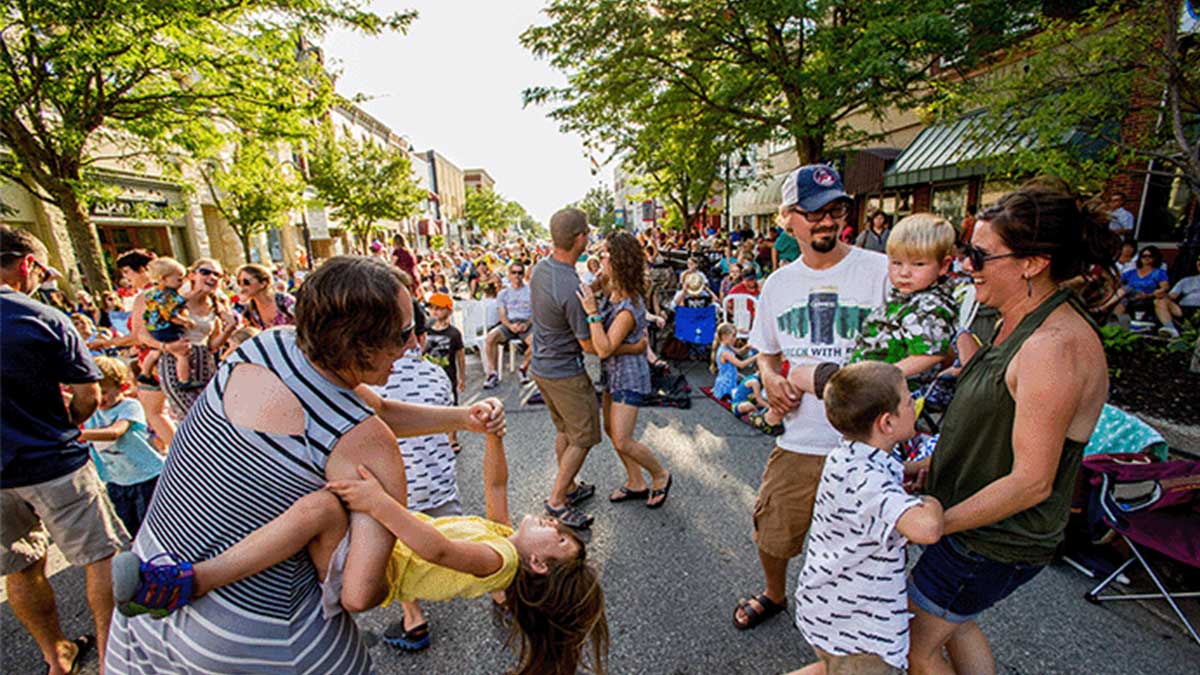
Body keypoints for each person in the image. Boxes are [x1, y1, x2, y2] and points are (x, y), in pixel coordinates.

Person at [105, 256, 507, 674]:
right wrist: (414, 572)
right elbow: (359, 595)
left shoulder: (266, 346)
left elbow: (367, 409)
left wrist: (463, 418)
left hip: (153, 587)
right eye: (404, 333)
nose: (415, 345)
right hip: (261, 636)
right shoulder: (368, 444)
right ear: (359, 344)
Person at [112, 432, 609, 675]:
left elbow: (433, 545)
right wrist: (493, 435)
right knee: (326, 500)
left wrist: (380, 502)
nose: (557, 523)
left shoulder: (500, 560)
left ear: (539, 563)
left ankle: (189, 581)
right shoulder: (500, 534)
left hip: (365, 582)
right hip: (373, 563)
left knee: (321, 510)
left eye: (562, 540)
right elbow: (495, 481)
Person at [905, 185, 1115, 675]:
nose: (966, 266)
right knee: (957, 626)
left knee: (916, 648)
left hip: (991, 540)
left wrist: (938, 522)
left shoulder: (1053, 346)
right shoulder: (1014, 321)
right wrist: (934, 466)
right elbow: (996, 422)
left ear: (1032, 263)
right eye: (965, 252)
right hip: (974, 527)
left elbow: (1032, 480)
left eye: (979, 255)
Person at [732, 164, 890, 631]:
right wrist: (773, 380)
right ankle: (775, 594)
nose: (826, 221)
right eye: (813, 212)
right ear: (787, 219)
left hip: (868, 444)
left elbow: (915, 349)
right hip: (800, 438)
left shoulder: (879, 270)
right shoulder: (779, 283)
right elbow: (766, 353)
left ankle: (854, 619)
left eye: (835, 210)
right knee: (774, 529)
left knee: (866, 543)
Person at [1, 225, 128, 675]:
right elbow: (88, 396)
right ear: (26, 265)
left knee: (21, 567)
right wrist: (67, 423)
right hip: (52, 460)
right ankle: (112, 655)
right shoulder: (40, 316)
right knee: (100, 558)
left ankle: (55, 655)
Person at [787, 362, 943, 675]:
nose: (915, 404)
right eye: (909, 401)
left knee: (834, 667)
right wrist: (929, 501)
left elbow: (881, 483)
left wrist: (910, 474)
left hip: (828, 605)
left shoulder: (849, 454)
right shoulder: (868, 480)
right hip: (859, 628)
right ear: (886, 422)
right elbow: (926, 528)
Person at [530, 208, 646, 530]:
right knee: (584, 437)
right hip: (565, 371)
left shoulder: (540, 270)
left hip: (542, 366)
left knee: (565, 431)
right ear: (580, 238)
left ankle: (569, 486)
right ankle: (557, 500)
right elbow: (593, 346)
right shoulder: (572, 287)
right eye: (588, 234)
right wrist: (634, 346)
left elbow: (555, 304)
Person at [372, 347, 464, 651]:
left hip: (398, 492)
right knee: (460, 539)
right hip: (439, 483)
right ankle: (501, 593)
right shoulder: (436, 373)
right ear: (419, 337)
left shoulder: (367, 382)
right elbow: (450, 429)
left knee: (397, 555)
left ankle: (413, 619)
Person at [577, 231, 672, 508]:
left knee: (622, 439)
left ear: (618, 260)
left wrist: (592, 311)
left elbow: (604, 347)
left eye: (606, 253)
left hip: (628, 377)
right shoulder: (610, 287)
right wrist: (633, 346)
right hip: (612, 373)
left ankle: (660, 475)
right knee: (611, 430)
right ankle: (636, 482)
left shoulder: (627, 306)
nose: (600, 257)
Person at [81, 357, 165, 537]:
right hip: (117, 480)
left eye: (103, 392)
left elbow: (116, 431)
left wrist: (79, 435)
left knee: (152, 525)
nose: (99, 398)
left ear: (123, 388)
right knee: (129, 527)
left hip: (146, 476)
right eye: (94, 393)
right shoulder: (92, 410)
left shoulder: (129, 406)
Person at [158, 258, 239, 417]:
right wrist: (166, 347)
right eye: (205, 272)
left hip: (204, 364)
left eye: (217, 275)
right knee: (192, 416)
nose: (212, 277)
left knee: (214, 416)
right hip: (177, 363)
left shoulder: (215, 305)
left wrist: (229, 328)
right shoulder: (176, 301)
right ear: (192, 276)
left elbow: (212, 345)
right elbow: (148, 331)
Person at [141, 257, 202, 387]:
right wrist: (184, 321)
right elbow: (169, 314)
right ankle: (184, 380)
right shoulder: (168, 295)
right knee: (182, 353)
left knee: (154, 351)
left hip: (153, 326)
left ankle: (145, 373)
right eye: (179, 279)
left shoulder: (153, 292)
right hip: (165, 327)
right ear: (164, 279)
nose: (181, 283)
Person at [424, 293, 466, 452]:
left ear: (449, 311)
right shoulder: (426, 330)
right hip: (428, 375)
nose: (435, 312)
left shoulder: (453, 333)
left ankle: (452, 438)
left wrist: (462, 377)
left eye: (439, 308)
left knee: (451, 406)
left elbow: (460, 357)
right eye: (432, 308)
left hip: (448, 376)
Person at [483, 262, 534, 388]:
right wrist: (510, 326)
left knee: (537, 342)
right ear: (509, 275)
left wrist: (526, 324)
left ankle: (523, 368)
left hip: (526, 323)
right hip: (508, 324)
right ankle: (493, 373)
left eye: (520, 272)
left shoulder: (531, 291)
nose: (517, 275)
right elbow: (502, 315)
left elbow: (536, 313)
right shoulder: (503, 293)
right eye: (514, 272)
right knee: (490, 337)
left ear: (523, 274)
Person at [1113, 245, 1170, 329]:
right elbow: (1116, 283)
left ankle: (1108, 304)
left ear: (1155, 257)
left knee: (1128, 289)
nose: (1146, 258)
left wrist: (1148, 295)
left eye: (1150, 256)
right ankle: (1121, 326)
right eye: (1144, 256)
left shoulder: (1159, 273)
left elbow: (1164, 288)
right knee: (1125, 294)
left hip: (1146, 296)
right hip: (1129, 295)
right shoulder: (1131, 272)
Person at [235, 263, 295, 329]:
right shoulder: (249, 311)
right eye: (239, 282)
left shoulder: (285, 301)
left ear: (263, 283)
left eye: (246, 282)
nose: (242, 285)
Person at [1156, 255, 1200, 337]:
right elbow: (1171, 296)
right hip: (1185, 309)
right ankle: (1171, 329)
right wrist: (1162, 294)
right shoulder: (1186, 281)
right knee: (1160, 301)